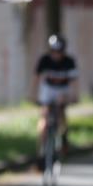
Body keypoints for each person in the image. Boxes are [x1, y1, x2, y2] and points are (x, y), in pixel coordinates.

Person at [31, 34, 79, 166]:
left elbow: (74, 82)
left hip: (62, 90)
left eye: (59, 52)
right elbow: (36, 79)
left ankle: (63, 137)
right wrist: (33, 95)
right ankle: (41, 151)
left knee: (61, 109)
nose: (56, 55)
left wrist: (74, 96)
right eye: (53, 52)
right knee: (44, 118)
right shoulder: (44, 60)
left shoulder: (69, 62)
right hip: (48, 90)